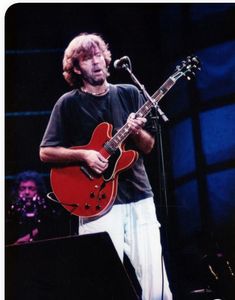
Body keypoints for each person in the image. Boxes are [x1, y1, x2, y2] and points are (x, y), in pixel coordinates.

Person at [40, 33, 172, 300]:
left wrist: (136, 132)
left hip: (138, 196)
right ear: (76, 68)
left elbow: (147, 147)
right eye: (87, 59)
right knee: (100, 282)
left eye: (99, 55)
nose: (96, 63)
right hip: (94, 202)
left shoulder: (130, 93)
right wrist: (85, 156)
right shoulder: (68, 104)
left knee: (156, 283)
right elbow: (46, 152)